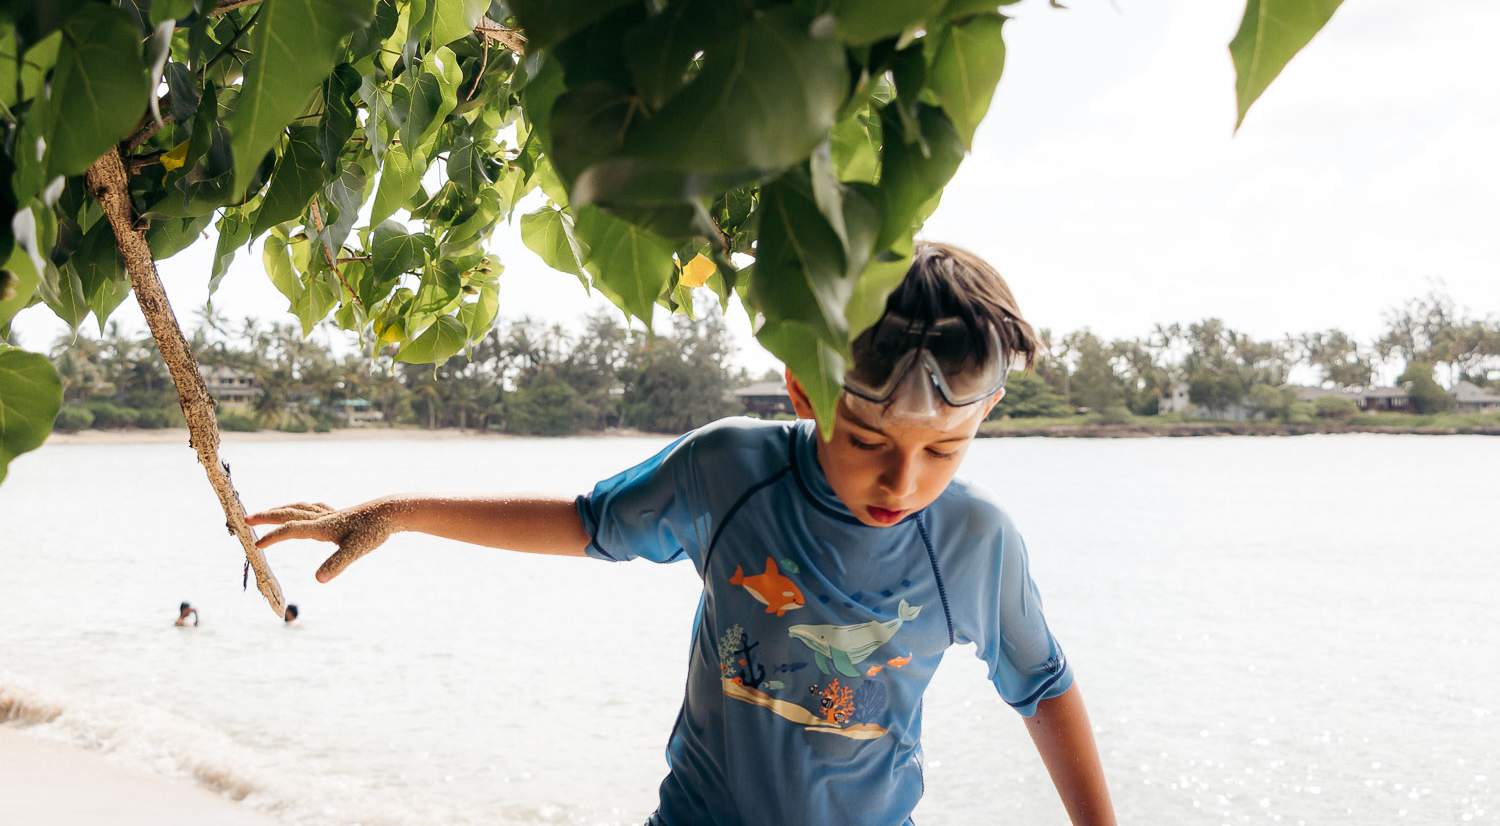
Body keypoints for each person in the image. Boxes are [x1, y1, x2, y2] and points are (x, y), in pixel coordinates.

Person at [247, 242, 1115, 825]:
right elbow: (586, 525)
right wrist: (400, 511)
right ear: (805, 386)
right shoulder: (731, 472)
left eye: (944, 451)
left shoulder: (973, 542)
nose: (903, 481)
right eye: (867, 441)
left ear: (987, 414)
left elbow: (1041, 686)